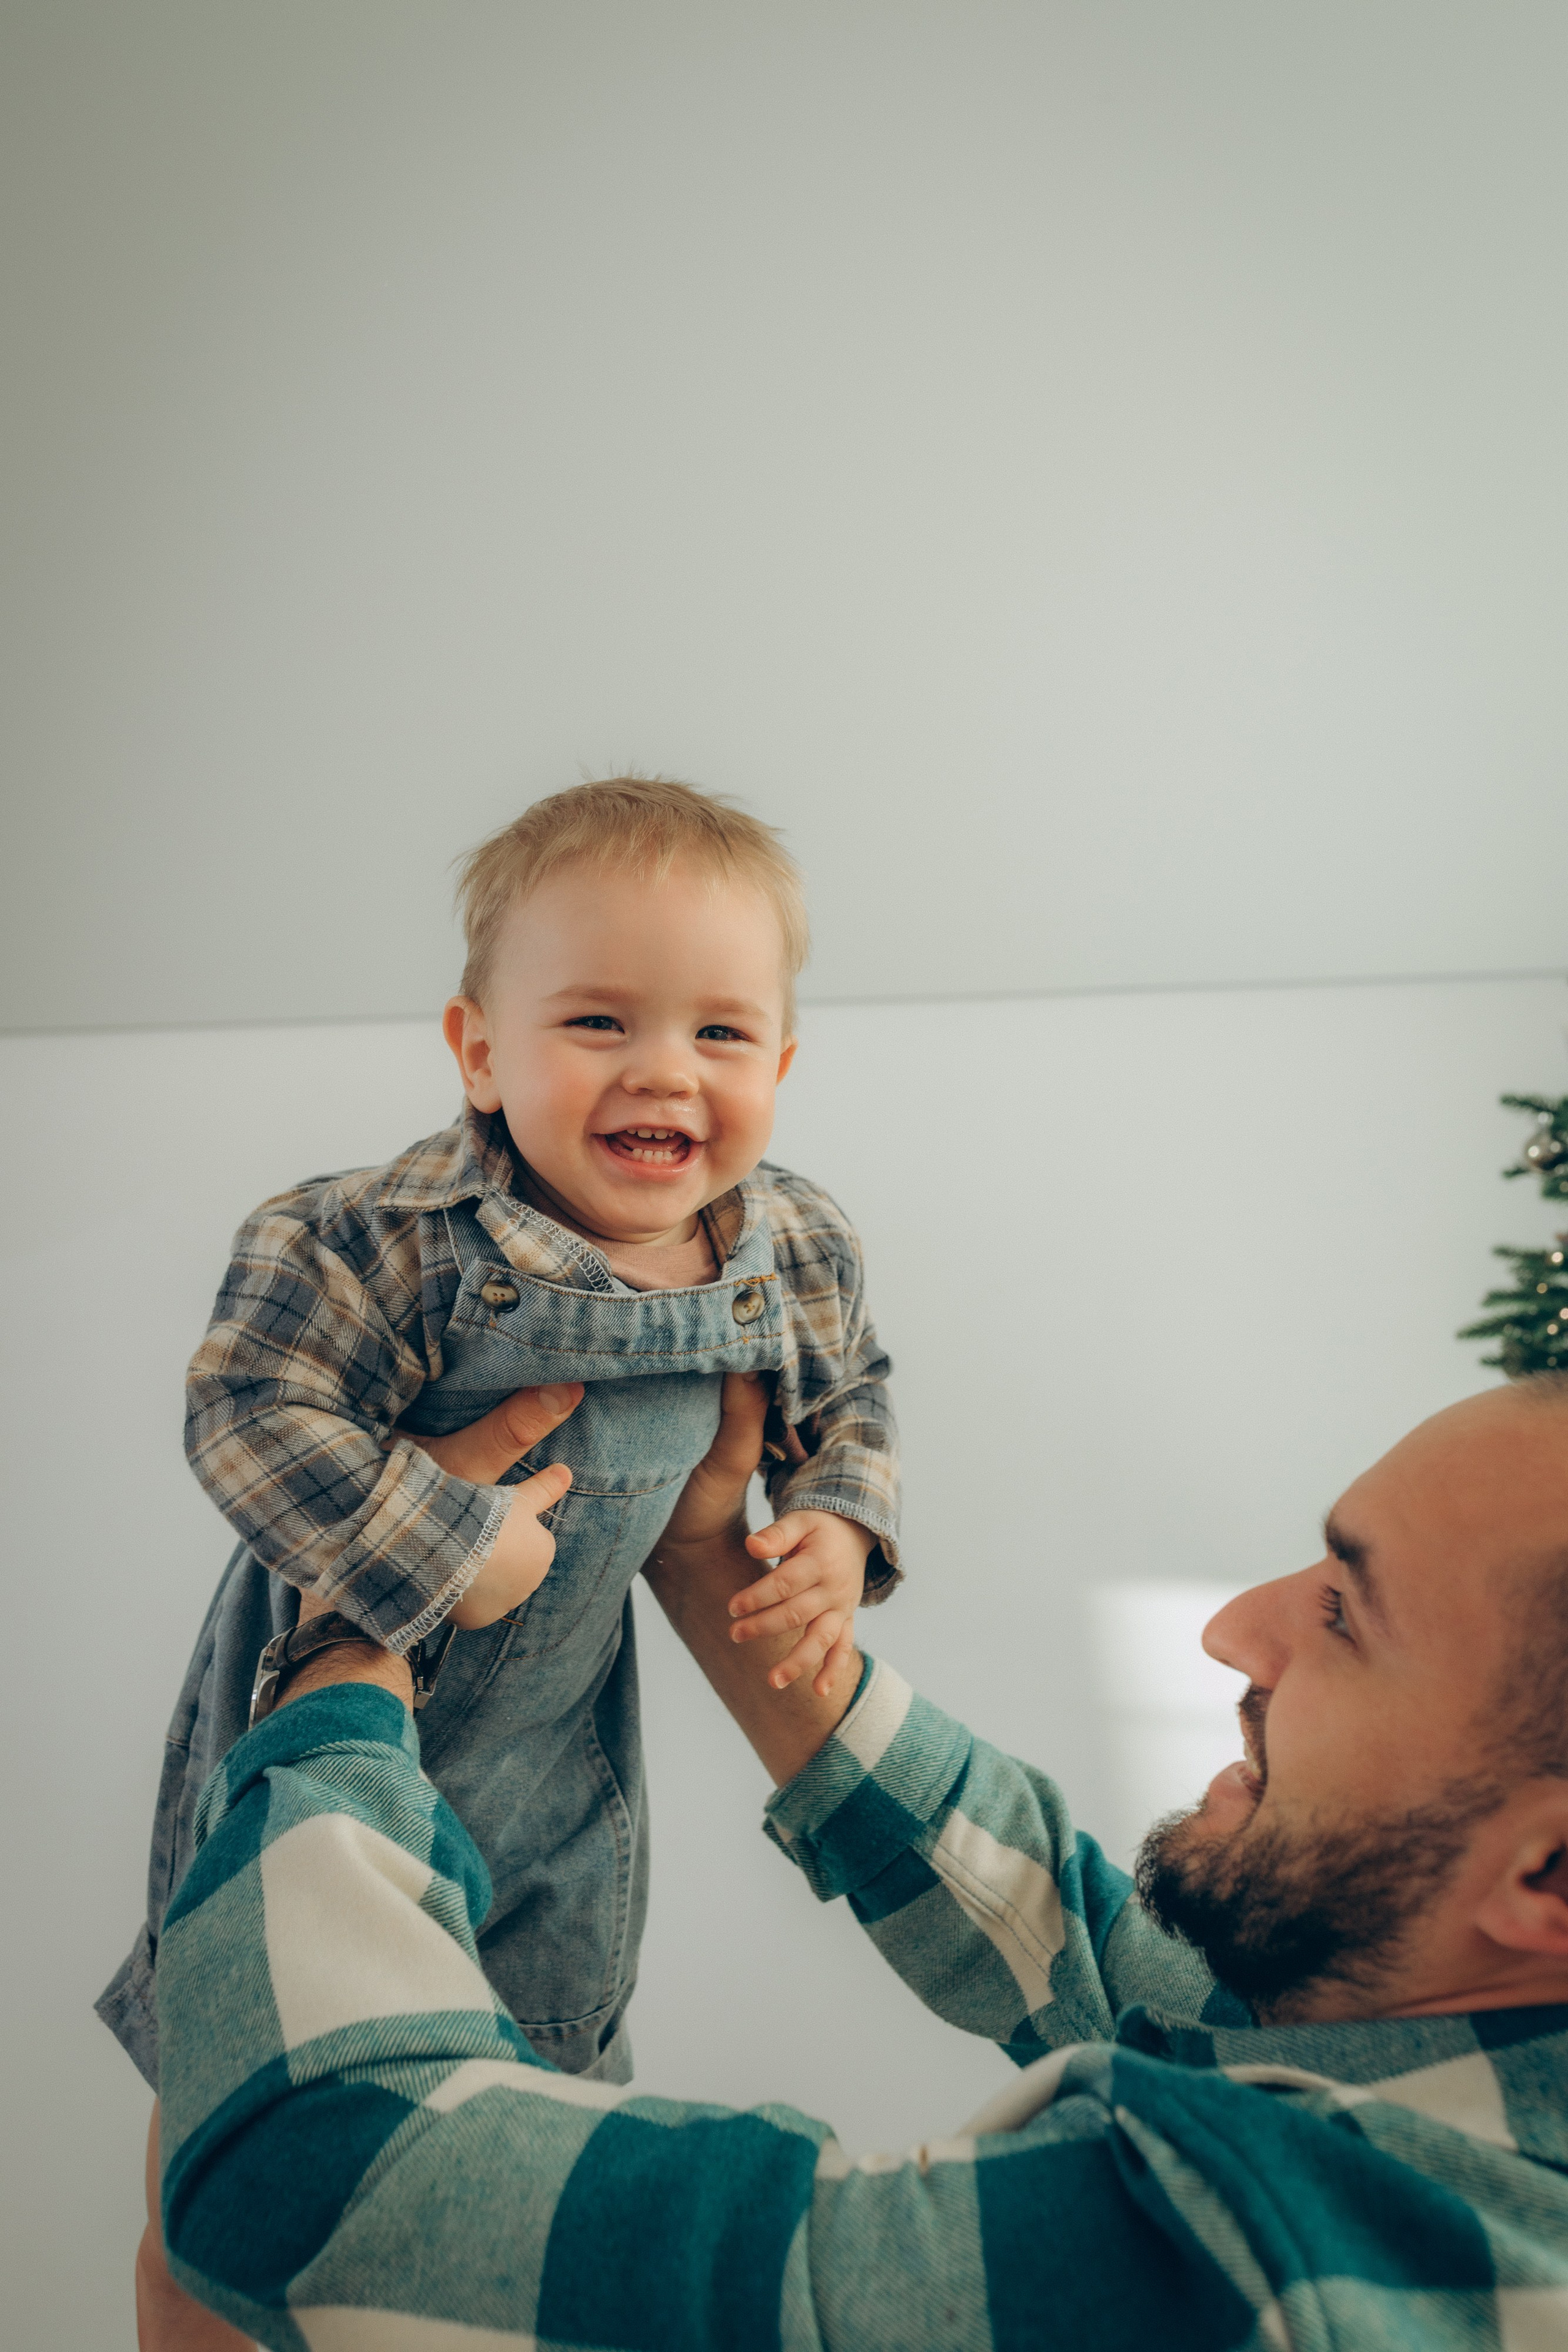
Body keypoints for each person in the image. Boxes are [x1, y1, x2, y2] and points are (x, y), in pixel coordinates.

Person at [144, 1369, 1568, 2348]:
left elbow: (335, 2184)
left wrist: (351, 1641)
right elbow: (1066, 1935)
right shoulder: (1448, 2049)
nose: (1232, 1630)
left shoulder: (1311, 2274)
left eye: (1340, 1615)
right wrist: (709, 1558)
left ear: (1547, 1877)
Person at [99, 776, 901, 2123]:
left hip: (555, 1756)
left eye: (719, 1030)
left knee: (531, 2085)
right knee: (243, 2090)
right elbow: (247, 1406)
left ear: (777, 1067)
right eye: (597, 1020)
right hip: (311, 1694)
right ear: (477, 1052)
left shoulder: (792, 1246)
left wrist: (834, 1513)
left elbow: (849, 1390)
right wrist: (445, 1541)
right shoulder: (375, 1237)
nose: (662, 1068)